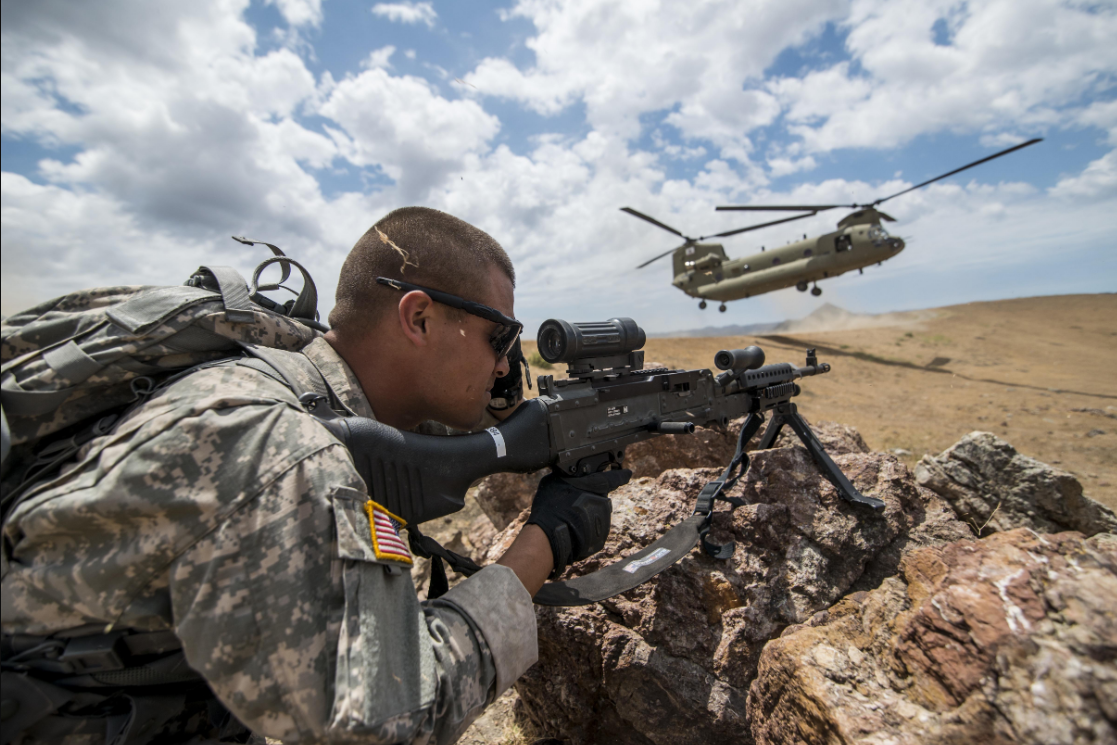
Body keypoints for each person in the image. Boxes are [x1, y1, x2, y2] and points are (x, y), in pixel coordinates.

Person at [1, 207, 628, 744]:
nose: (503, 368)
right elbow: (389, 718)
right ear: (419, 319)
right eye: (500, 338)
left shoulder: (287, 382)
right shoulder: (283, 449)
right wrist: (542, 542)